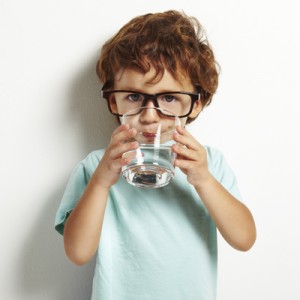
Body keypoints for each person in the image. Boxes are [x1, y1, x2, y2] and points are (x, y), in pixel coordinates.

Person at [55, 10, 256, 300]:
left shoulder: (209, 163)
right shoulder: (96, 167)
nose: (150, 116)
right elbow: (77, 253)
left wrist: (204, 180)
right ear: (114, 100)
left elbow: (244, 239)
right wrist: (101, 181)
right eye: (134, 97)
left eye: (169, 98)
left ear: (196, 104)